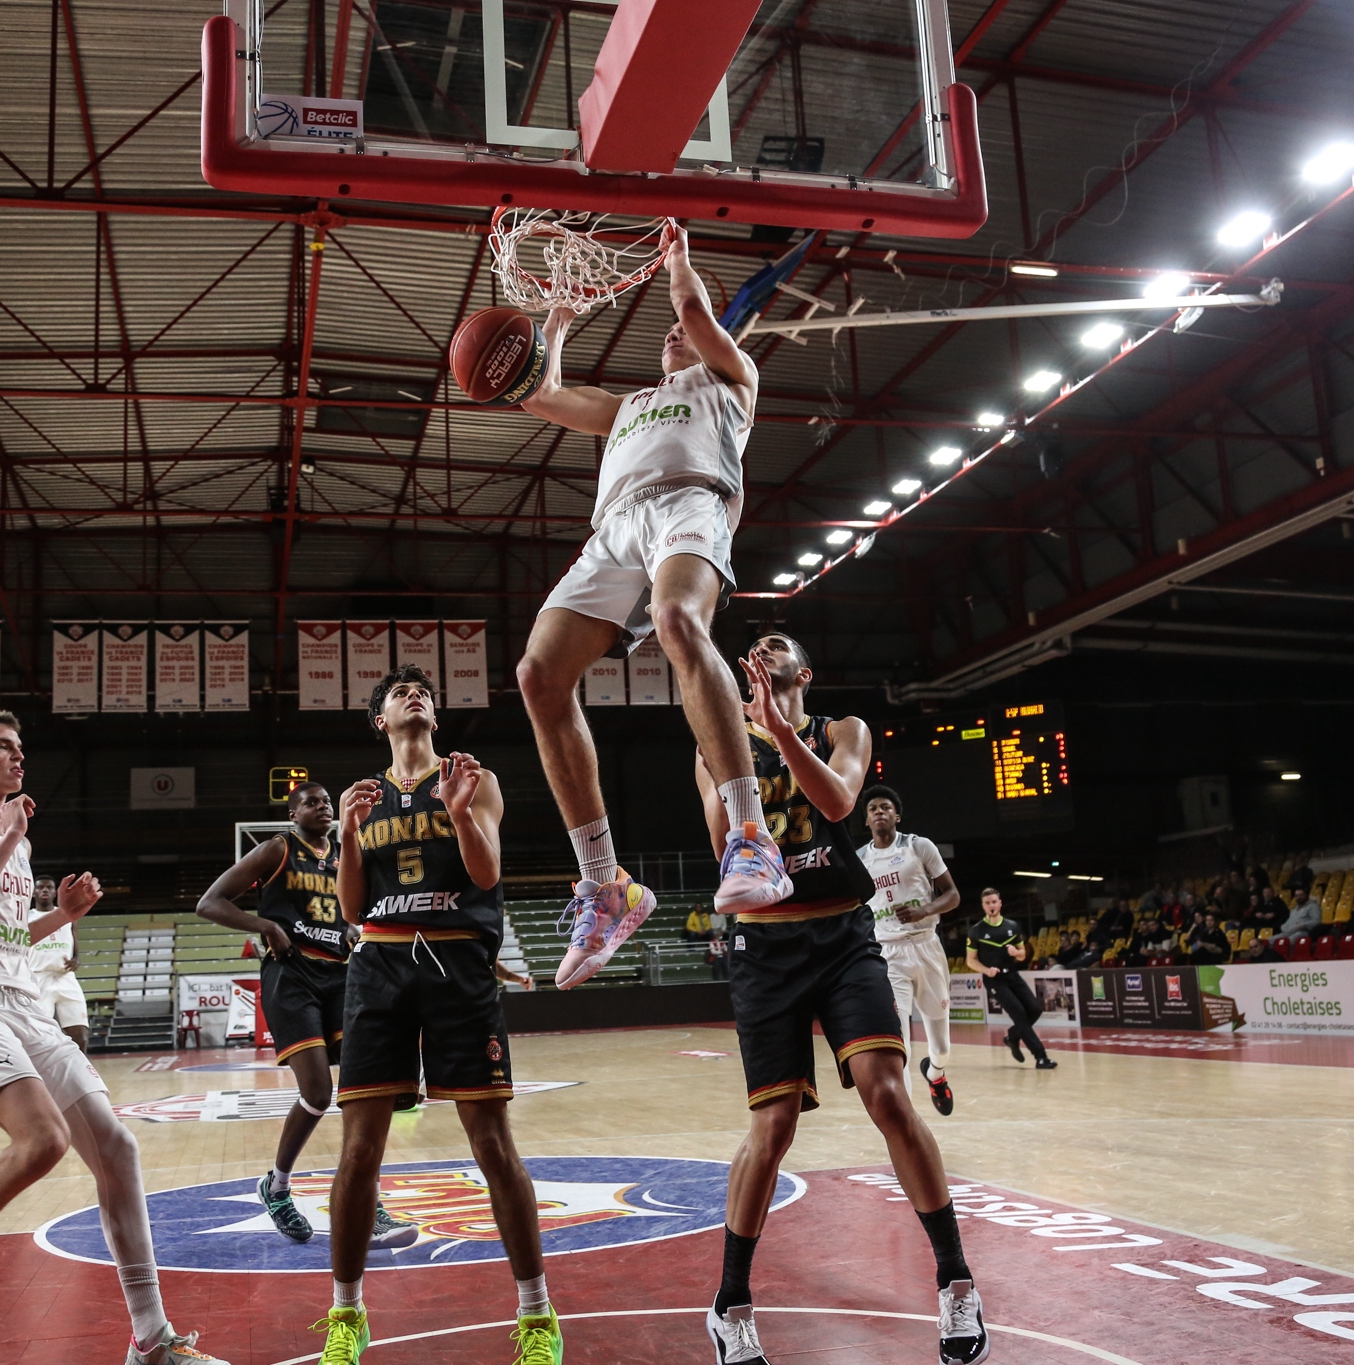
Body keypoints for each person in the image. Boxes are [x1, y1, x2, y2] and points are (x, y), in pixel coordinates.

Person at [0, 710, 225, 1365]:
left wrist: (63, 914)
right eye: (3, 747)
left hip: (23, 1004)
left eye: (20, 747)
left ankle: (151, 1340)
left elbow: (3, 935)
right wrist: (7, 838)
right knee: (43, 1140)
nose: (18, 756)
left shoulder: (18, 844)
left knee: (116, 1146)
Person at [694, 632, 988, 1365]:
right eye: (754, 644)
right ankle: (730, 1303)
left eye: (779, 641)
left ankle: (956, 1280)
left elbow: (837, 797)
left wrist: (783, 730)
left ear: (805, 670)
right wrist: (748, 732)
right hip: (764, 945)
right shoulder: (717, 743)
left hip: (843, 936)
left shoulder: (843, 730)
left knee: (887, 1094)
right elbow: (727, 843)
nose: (763, 646)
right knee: (774, 1126)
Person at [515, 223, 787, 988]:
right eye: (668, 327)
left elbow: (699, 317)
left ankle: (749, 834)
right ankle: (607, 887)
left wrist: (679, 263)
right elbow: (543, 395)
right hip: (617, 529)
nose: (674, 331)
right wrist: (557, 328)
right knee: (537, 674)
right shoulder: (631, 402)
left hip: (690, 506)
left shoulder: (729, 379)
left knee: (677, 622)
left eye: (685, 328)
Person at [314, 665, 560, 1364]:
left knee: (491, 1142)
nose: (415, 693)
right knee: (360, 1150)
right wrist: (352, 834)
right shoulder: (361, 795)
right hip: (382, 965)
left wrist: (456, 811)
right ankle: (346, 1312)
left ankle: (537, 1315)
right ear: (379, 720)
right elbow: (354, 909)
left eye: (423, 688)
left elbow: (485, 874)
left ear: (435, 715)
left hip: (457, 963)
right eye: (398, 691)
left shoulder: (473, 778)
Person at [195, 782, 415, 1252]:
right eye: (311, 802)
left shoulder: (344, 854)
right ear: (292, 812)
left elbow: (358, 910)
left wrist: (357, 932)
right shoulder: (277, 849)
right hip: (291, 977)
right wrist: (266, 925)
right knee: (317, 1092)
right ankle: (276, 1186)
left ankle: (365, 1200)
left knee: (364, 1090)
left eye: (326, 802)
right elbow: (209, 902)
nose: (322, 807)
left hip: (340, 976)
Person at [856, 784, 962, 1117]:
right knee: (897, 1044)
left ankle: (936, 1072)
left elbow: (953, 895)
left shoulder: (918, 846)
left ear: (896, 815)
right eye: (873, 808)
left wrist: (925, 911)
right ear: (867, 820)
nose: (879, 812)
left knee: (942, 1047)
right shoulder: (860, 859)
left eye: (886, 807)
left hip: (925, 946)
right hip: (888, 954)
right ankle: (908, 1123)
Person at [966, 888, 1053, 1073]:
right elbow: (970, 960)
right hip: (994, 980)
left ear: (1000, 903)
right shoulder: (976, 931)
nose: (991, 905)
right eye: (987, 903)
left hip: (1012, 974)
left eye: (994, 902)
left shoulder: (1012, 926)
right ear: (983, 906)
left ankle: (1013, 1037)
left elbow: (1022, 955)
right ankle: (1041, 1057)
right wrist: (986, 970)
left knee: (1035, 1009)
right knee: (1019, 1013)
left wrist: (1017, 953)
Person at [27, 877, 91, 1053]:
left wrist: (77, 958)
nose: (45, 890)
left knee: (80, 1036)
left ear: (55, 892)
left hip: (66, 977)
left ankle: (82, 1075)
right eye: (40, 887)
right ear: (33, 893)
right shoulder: (26, 917)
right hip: (38, 978)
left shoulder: (67, 915)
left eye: (49, 887)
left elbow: (74, 939)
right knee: (39, 1036)